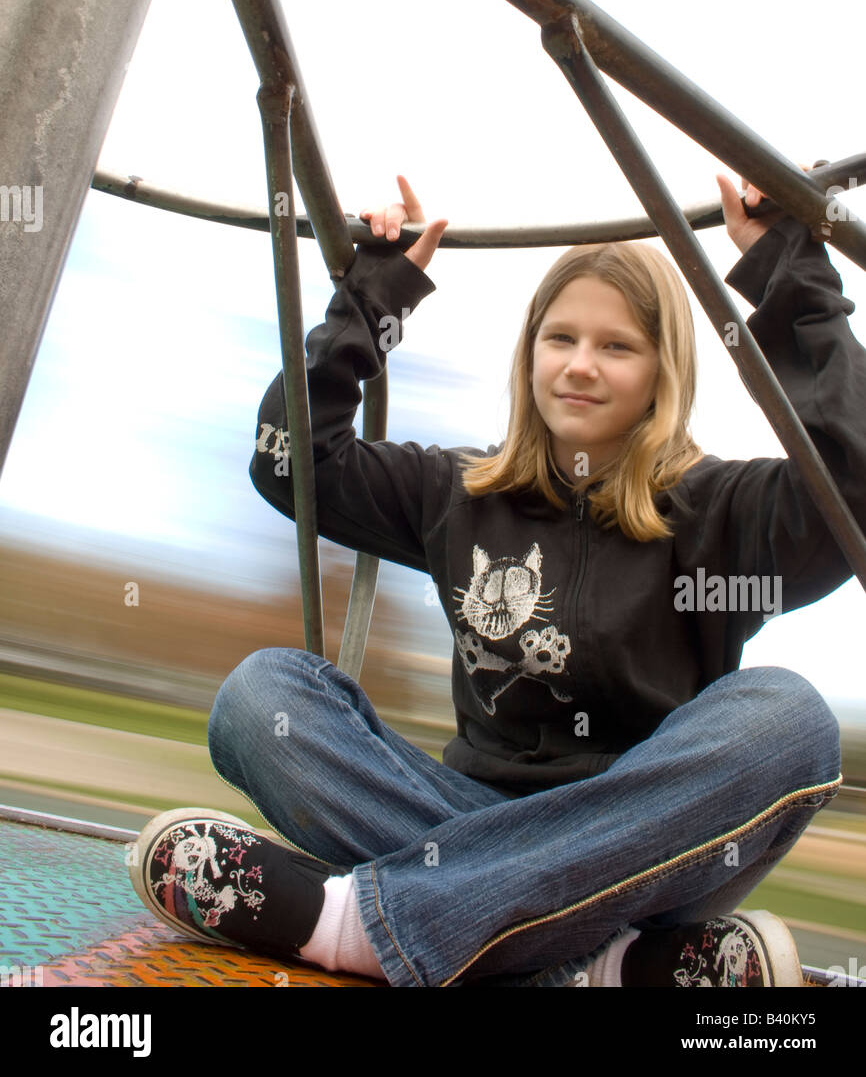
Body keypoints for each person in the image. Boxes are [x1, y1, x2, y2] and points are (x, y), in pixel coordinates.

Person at [128, 171, 861, 987]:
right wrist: (371, 298)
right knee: (261, 697)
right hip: (462, 822)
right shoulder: (460, 490)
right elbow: (289, 460)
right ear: (530, 354)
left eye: (617, 346)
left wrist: (792, 276)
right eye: (561, 339)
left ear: (664, 370)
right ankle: (605, 966)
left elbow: (855, 491)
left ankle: (351, 924)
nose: (581, 366)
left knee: (791, 719)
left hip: (648, 851)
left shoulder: (725, 511)